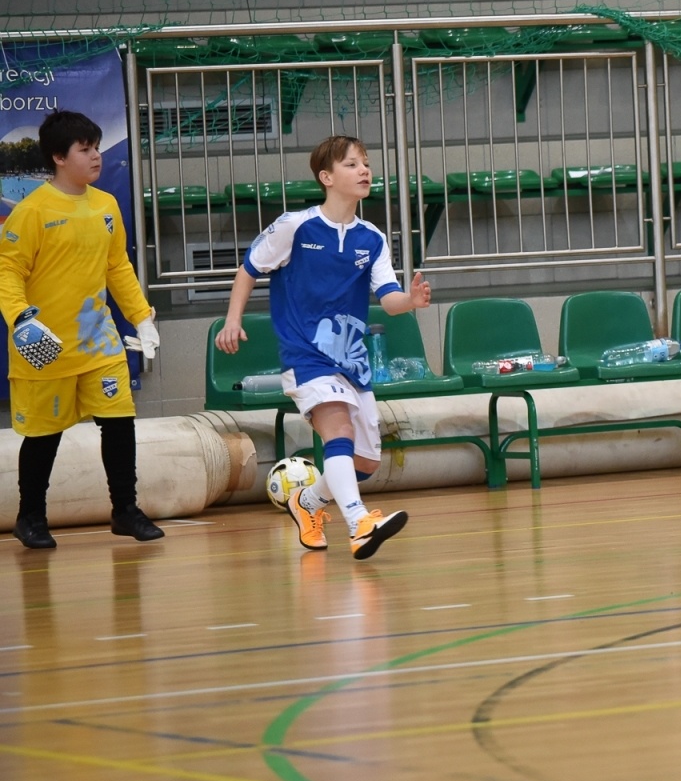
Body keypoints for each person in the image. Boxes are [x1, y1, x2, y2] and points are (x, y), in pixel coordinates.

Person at [214, 135, 431, 559]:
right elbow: (248, 270)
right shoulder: (295, 226)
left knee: (364, 463)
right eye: (352, 165)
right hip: (305, 355)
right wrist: (233, 320)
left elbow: (388, 298)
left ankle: (307, 502)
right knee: (339, 432)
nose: (364, 171)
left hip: (351, 359)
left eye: (366, 163)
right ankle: (359, 524)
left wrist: (410, 301)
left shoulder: (372, 237)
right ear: (327, 177)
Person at [0, 109, 165, 549]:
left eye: (96, 147)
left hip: (100, 341)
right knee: (42, 436)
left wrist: (142, 316)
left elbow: (118, 267)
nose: (96, 157)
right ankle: (30, 517)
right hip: (45, 346)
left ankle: (125, 510)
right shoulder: (32, 211)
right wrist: (20, 319)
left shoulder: (106, 205)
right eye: (85, 149)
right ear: (58, 157)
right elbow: (8, 270)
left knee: (119, 421)